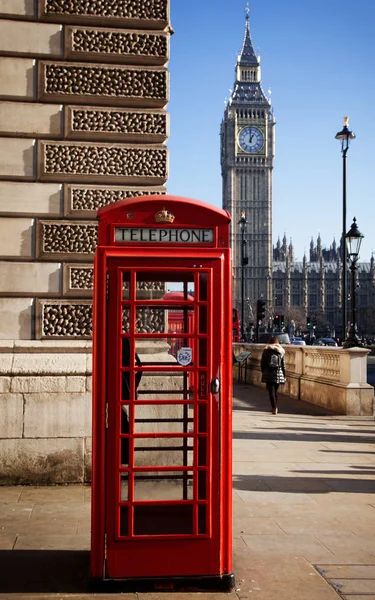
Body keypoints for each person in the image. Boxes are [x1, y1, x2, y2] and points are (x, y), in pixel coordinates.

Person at [260, 335, 286, 414]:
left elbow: (262, 363)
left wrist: (264, 372)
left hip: (268, 373)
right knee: (275, 391)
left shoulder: (266, 350)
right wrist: (284, 375)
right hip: (278, 373)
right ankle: (275, 406)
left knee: (271, 391)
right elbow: (283, 365)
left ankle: (274, 407)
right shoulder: (280, 351)